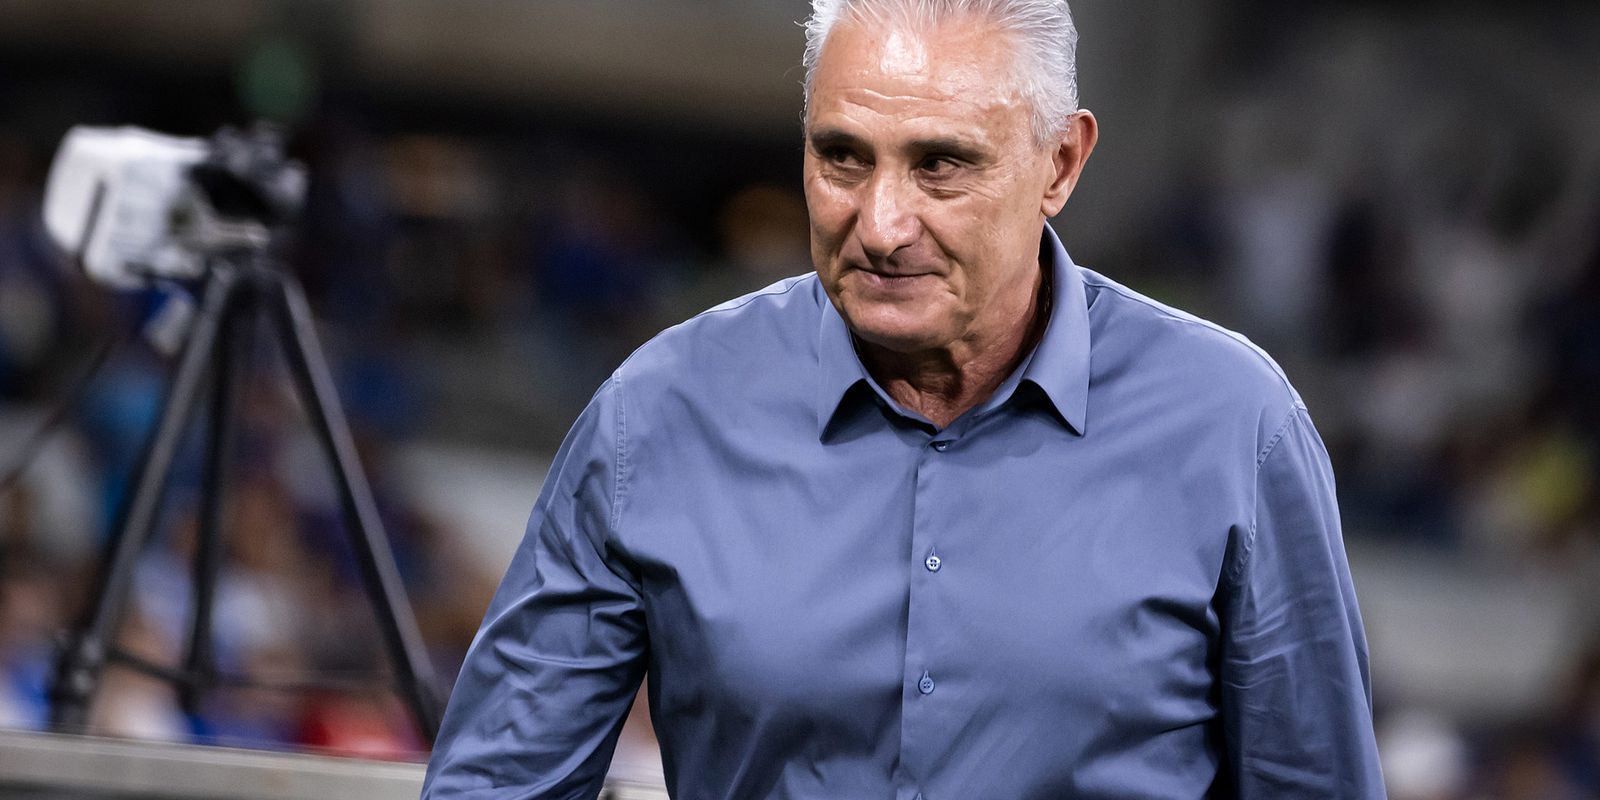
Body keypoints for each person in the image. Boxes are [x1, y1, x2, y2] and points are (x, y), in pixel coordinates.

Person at [421, 0, 1386, 797]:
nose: (881, 225)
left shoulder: (1233, 426)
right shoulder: (657, 415)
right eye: (843, 157)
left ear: (1060, 164)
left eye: (941, 165)